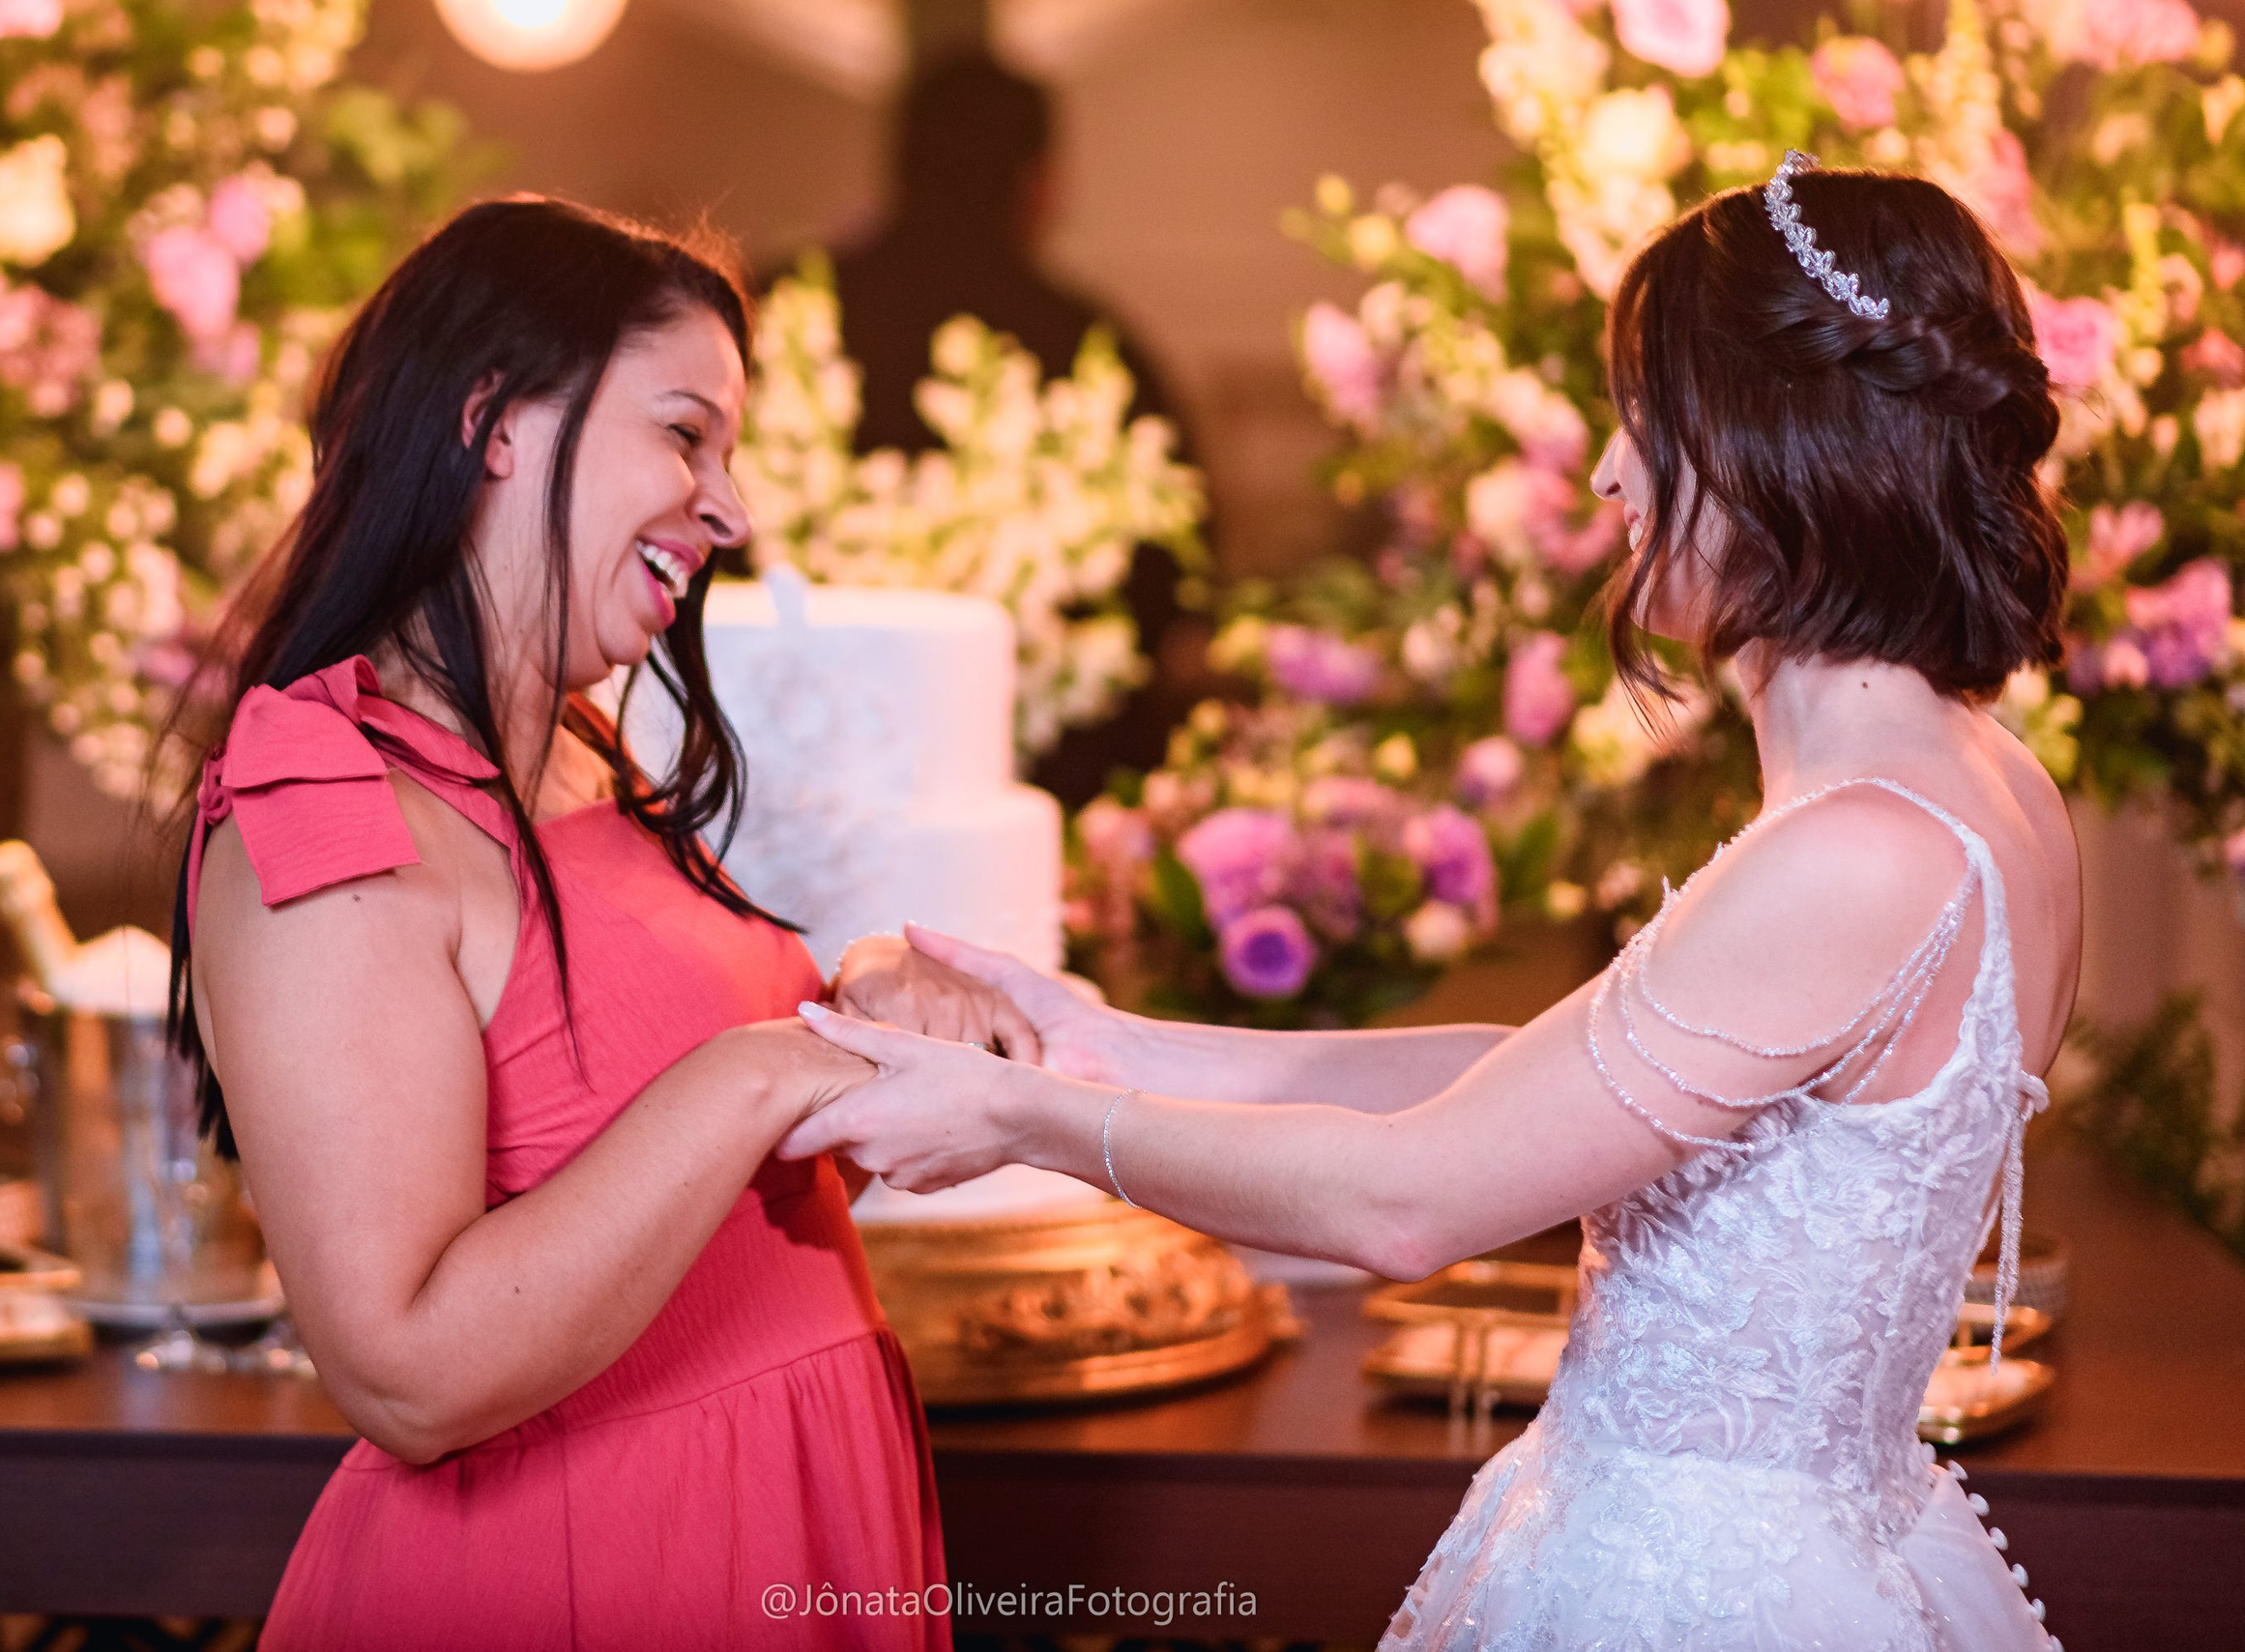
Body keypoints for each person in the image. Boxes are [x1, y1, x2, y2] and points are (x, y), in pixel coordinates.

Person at [783, 156, 2076, 1652]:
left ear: (1773, 439)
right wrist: (1109, 1043)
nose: (1609, 475)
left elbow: (1410, 1201)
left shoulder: (1859, 849)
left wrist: (1029, 1121)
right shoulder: (1987, 785)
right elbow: (1540, 1088)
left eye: (1647, 421)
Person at [168, 196, 1029, 1649]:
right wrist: (767, 1068)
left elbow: (678, 1183)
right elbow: (406, 1374)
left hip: (784, 1520)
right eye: (687, 435)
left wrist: (862, 1006)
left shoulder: (583, 756)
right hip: (576, 1575)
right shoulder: (324, 803)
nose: (730, 510)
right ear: (494, 420)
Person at [826, 49, 1200, 808]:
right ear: (1040, 182)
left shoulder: (785, 317)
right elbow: (1175, 593)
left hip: (804, 766)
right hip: (1047, 792)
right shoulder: (1097, 351)